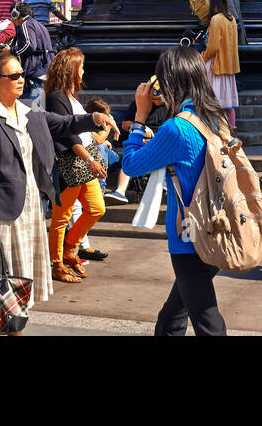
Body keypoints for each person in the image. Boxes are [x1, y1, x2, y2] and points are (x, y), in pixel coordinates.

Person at [0, 53, 113, 315]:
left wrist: (95, 119)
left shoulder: (29, 113)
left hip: (30, 207)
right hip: (0, 214)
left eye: (21, 74)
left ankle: (15, 329)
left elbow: (64, 123)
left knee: (20, 288)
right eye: (13, 76)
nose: (21, 80)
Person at [120, 46, 232, 336]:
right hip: (217, 227)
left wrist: (140, 117)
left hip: (188, 236)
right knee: (173, 314)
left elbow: (131, 165)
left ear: (168, 82)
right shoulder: (214, 117)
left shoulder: (176, 128)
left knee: (207, 323)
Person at [44, 48, 109, 284]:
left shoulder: (69, 95)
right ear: (71, 70)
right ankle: (56, 263)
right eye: (80, 67)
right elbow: (67, 134)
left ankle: (71, 248)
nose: (83, 71)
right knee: (62, 216)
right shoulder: (55, 96)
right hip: (70, 163)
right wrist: (90, 160)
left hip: (83, 161)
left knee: (96, 208)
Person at [106, 87, 170, 203]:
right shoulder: (140, 101)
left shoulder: (170, 105)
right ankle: (120, 191)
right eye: (155, 92)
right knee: (130, 155)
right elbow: (125, 124)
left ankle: (164, 182)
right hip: (140, 135)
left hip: (161, 138)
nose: (158, 96)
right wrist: (142, 128)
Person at [201, 0, 240, 129]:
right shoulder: (231, 19)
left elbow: (212, 47)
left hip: (215, 64)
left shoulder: (216, 19)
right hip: (229, 65)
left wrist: (202, 58)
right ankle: (231, 129)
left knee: (213, 100)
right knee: (228, 102)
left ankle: (214, 130)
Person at [13, 3, 54, 103]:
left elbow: (29, 45)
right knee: (39, 107)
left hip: (36, 71)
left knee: (30, 107)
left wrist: (11, 51)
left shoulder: (26, 24)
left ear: (16, 15)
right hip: (45, 69)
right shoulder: (39, 24)